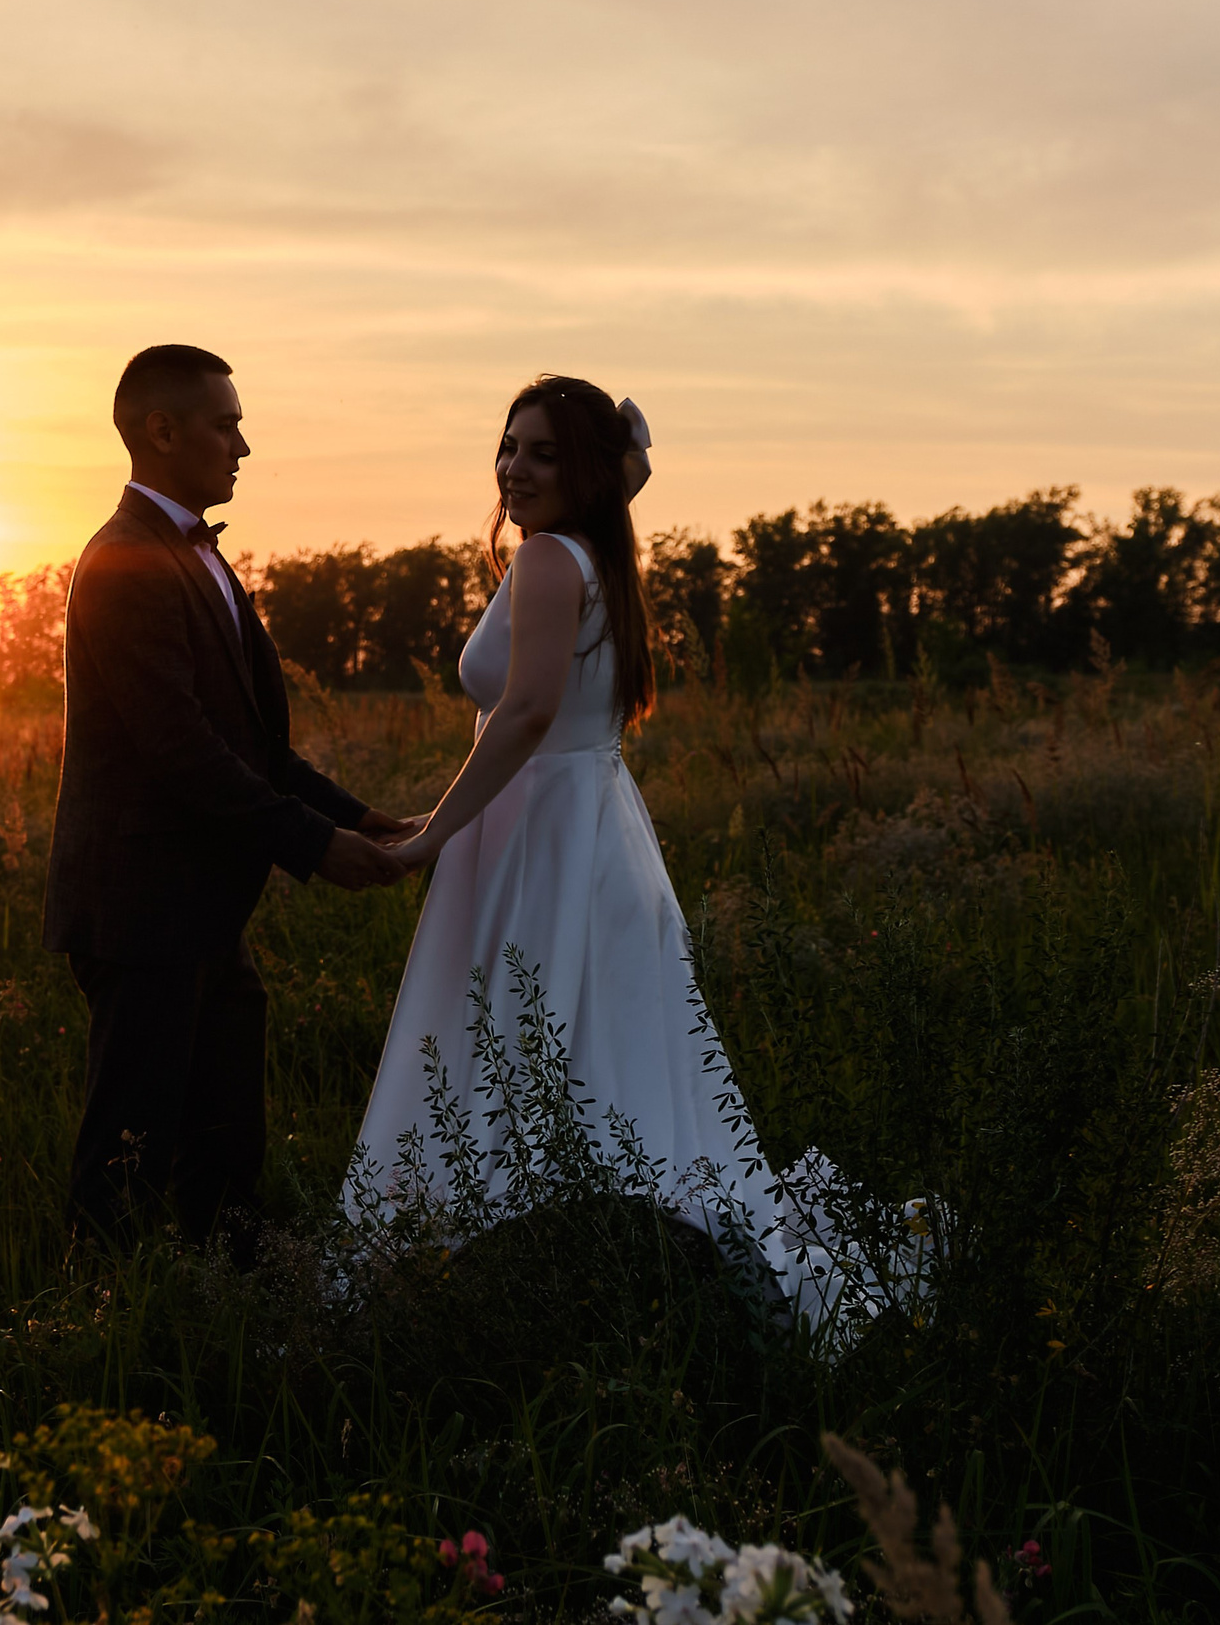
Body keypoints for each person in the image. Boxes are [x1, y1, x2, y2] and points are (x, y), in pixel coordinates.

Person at [350, 375, 868, 1324]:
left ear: (583, 472)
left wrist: (431, 837)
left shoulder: (550, 557)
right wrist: (619, 473)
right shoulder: (597, 553)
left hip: (541, 837)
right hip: (591, 830)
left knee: (518, 1047)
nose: (513, 468)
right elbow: (547, 709)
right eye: (508, 446)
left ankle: (513, 1279)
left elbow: (529, 712)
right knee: (599, 1056)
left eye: (542, 453)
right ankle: (602, 1275)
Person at [47, 344, 414, 1252]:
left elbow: (252, 743)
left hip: (200, 908)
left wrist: (355, 817)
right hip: (139, 907)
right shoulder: (123, 562)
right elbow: (182, 750)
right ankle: (100, 1344)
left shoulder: (191, 555)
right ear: (161, 431)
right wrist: (314, 848)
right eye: (227, 424)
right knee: (127, 1159)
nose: (243, 446)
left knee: (224, 1146)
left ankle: (232, 1314)